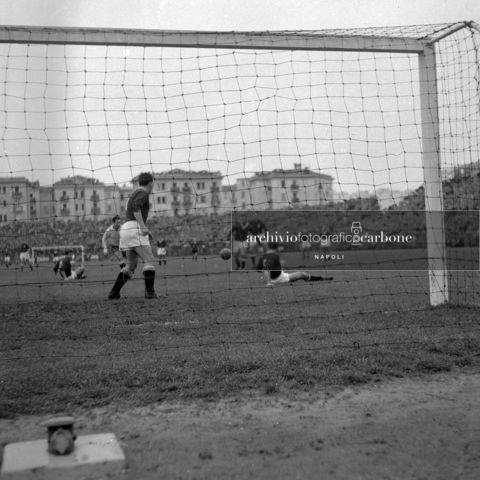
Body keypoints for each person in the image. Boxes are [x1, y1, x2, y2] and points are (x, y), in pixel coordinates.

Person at [107, 172, 158, 299]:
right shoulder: (143, 193)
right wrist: (142, 226)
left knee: (131, 265)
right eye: (153, 183)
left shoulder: (134, 193)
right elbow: (136, 207)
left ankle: (114, 292)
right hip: (135, 228)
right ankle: (150, 293)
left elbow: (133, 207)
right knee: (148, 260)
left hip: (126, 229)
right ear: (151, 183)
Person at [257, 242, 332, 286]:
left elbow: (259, 269)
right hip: (279, 278)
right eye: (280, 247)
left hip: (275, 276)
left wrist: (277, 266)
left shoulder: (264, 256)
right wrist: (268, 282)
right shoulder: (274, 256)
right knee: (302, 274)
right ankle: (321, 278)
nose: (281, 249)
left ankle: (320, 278)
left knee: (301, 274)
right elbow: (265, 269)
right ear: (276, 248)